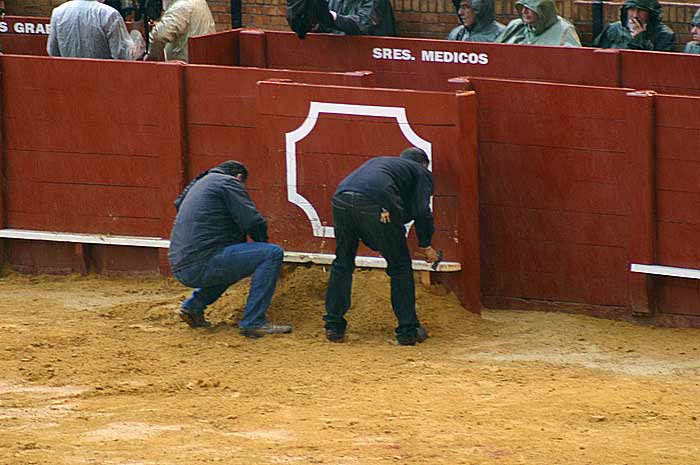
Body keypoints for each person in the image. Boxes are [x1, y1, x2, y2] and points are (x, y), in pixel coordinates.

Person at [323, 148, 439, 346]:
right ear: (423, 164)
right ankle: (408, 330)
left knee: (343, 262)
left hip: (341, 197)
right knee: (400, 266)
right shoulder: (421, 172)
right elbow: (421, 211)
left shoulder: (383, 163)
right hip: (376, 202)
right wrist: (426, 245)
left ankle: (334, 326)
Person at [168, 161, 292, 338]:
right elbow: (252, 221)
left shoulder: (202, 182)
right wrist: (262, 244)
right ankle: (253, 322)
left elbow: (177, 203)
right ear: (239, 177)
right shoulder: (228, 182)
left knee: (229, 263)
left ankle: (193, 307)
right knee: (272, 253)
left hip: (182, 263)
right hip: (202, 262)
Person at [47, 0, 146, 59]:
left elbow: (52, 51)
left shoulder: (58, 13)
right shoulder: (109, 14)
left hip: (70, 81)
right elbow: (124, 55)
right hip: (103, 82)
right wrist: (136, 33)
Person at [145, 0, 215, 62]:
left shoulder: (181, 6)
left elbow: (159, 35)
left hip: (184, 65)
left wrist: (152, 56)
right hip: (199, 60)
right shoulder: (199, 2)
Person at [593, 0, 675, 52]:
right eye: (632, 10)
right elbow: (597, 53)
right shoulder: (613, 28)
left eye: (641, 11)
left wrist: (639, 38)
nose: (635, 15)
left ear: (650, 14)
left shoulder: (664, 35)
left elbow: (658, 65)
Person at [496, 0, 581, 47]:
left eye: (529, 8)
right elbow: (493, 51)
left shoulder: (564, 29)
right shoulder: (516, 26)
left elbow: (573, 60)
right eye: (522, 7)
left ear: (543, 10)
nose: (524, 12)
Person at [316, 0, 396, 36]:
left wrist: (334, 17)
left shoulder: (377, 1)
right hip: (338, 55)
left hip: (371, 57)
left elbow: (362, 24)